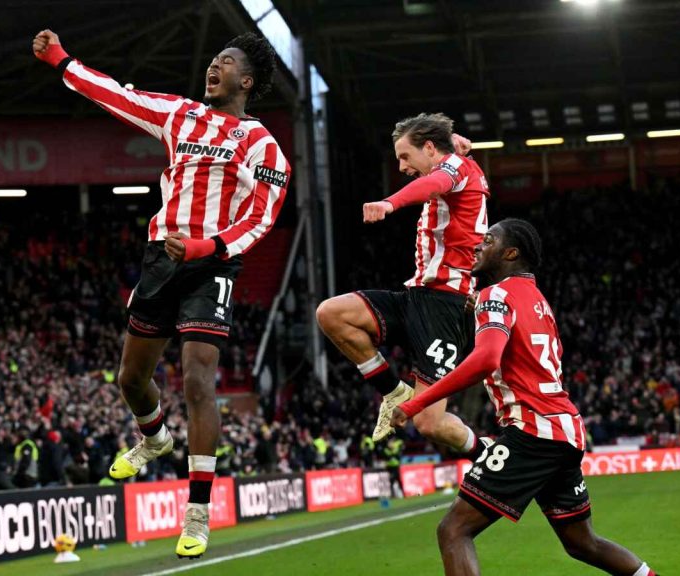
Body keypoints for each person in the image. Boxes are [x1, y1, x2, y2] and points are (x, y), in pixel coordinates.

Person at [33, 28, 290, 559]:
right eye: (212, 59)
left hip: (211, 263)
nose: (213, 67)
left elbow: (261, 217)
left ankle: (196, 515)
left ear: (247, 79)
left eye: (226, 61)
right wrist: (61, 60)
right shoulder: (180, 114)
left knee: (198, 379)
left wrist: (208, 247)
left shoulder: (261, 145)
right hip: (160, 260)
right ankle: (153, 437)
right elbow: (117, 95)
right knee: (131, 378)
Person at [391, 219, 656, 576]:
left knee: (453, 530)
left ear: (510, 253)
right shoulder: (538, 302)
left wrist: (415, 402)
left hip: (533, 431)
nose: (478, 245)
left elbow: (486, 360)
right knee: (582, 543)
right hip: (564, 430)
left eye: (489, 240)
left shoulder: (495, 296)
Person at [316, 113, 488, 459]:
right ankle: (393, 391)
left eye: (405, 156)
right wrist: (454, 141)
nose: (402, 166)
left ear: (428, 148)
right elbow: (439, 167)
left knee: (429, 424)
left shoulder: (455, 169)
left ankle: (487, 456)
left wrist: (389, 203)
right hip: (416, 295)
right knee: (331, 314)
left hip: (446, 306)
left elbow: (433, 183)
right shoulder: (455, 161)